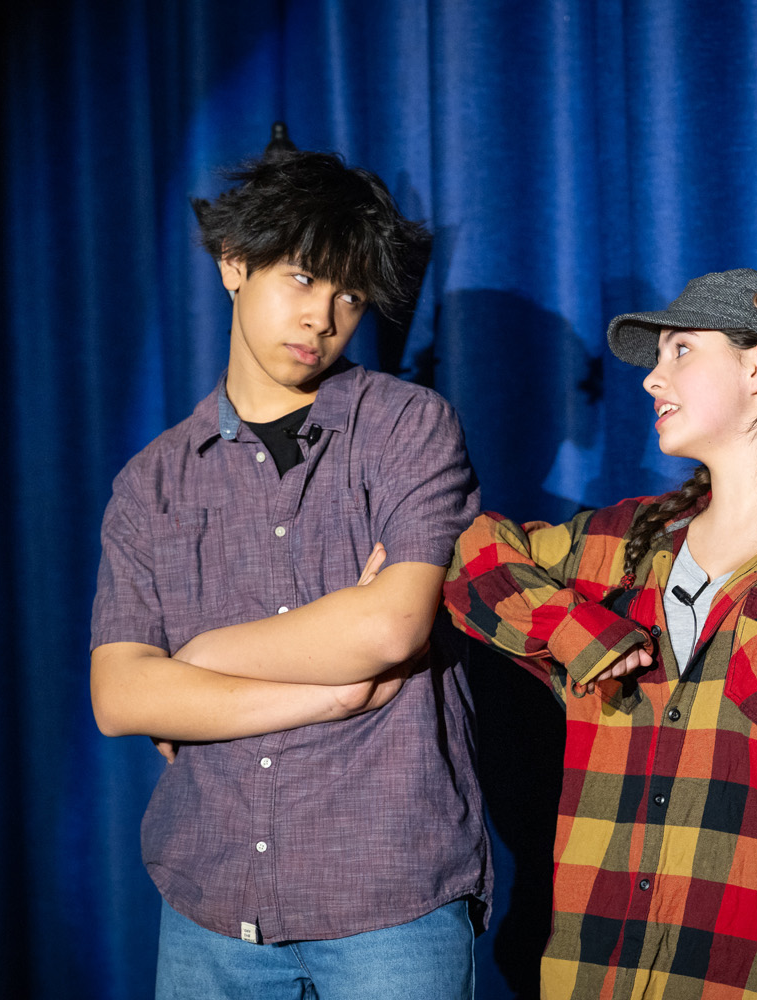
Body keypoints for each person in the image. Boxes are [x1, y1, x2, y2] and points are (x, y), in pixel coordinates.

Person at [444, 269, 757, 999]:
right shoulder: (623, 542)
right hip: (594, 976)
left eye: (680, 351)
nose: (652, 380)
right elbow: (468, 556)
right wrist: (577, 630)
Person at [90, 143, 489, 999]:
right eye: (303, 279)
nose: (323, 317)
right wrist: (333, 693)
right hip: (208, 898)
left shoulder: (407, 427)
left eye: (349, 295)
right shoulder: (152, 481)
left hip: (389, 895)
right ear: (234, 265)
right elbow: (120, 696)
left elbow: (390, 626)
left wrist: (195, 660)